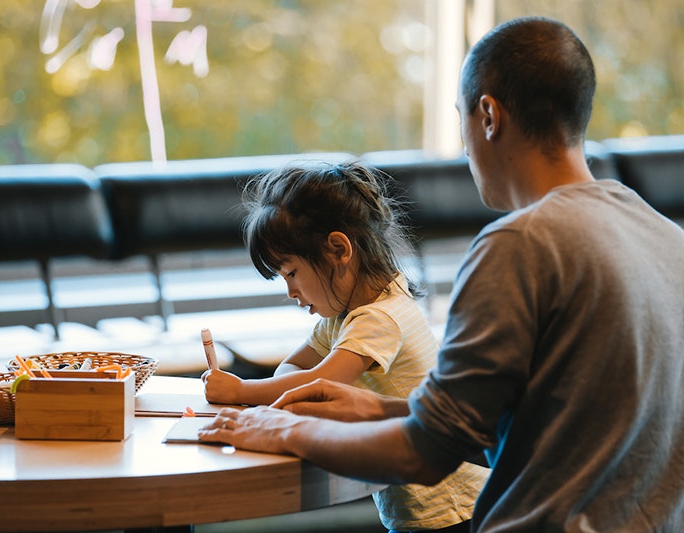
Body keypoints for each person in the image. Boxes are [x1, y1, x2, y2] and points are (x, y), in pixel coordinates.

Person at [199, 16, 684, 532]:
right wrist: (376, 409)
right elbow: (539, 428)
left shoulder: (518, 245)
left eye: (461, 120)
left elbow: (424, 455)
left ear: (489, 116)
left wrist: (280, 430)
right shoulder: (667, 239)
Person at [202, 161, 488, 532]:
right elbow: (291, 370)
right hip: (421, 509)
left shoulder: (381, 317)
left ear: (339, 249)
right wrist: (294, 390)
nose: (290, 292)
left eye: (291, 273)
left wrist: (241, 389)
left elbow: (323, 382)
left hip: (451, 506)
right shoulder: (344, 316)